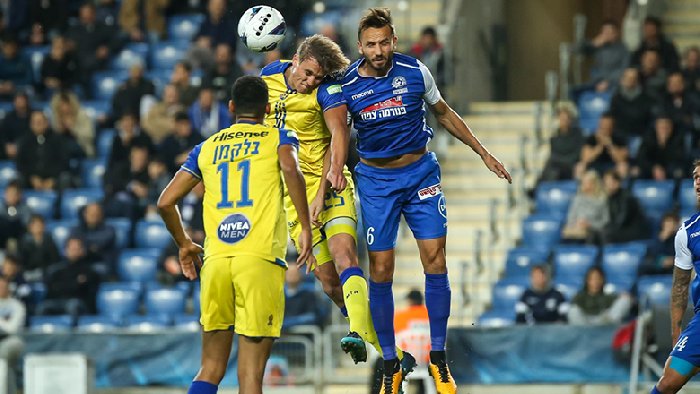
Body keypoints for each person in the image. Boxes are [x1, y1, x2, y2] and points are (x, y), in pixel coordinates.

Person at [340, 8, 511, 393]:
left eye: (385, 42)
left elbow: (444, 112)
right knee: (381, 270)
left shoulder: (416, 71)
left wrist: (482, 152)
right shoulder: (347, 86)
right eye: (371, 44)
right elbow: (336, 134)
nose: (379, 50)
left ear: (394, 40)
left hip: (420, 175)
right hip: (376, 181)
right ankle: (390, 362)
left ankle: (438, 357)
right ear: (360, 46)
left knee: (435, 259)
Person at [260, 33, 416, 375]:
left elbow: (340, 135)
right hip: (291, 198)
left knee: (346, 255)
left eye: (318, 76)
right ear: (296, 60)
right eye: (309, 73)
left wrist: (322, 190)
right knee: (329, 283)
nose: (311, 80)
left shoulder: (328, 92)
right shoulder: (268, 76)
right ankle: (390, 353)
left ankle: (359, 333)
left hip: (331, 187)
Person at [157, 75, 313, 394]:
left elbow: (165, 201)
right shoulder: (279, 137)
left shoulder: (206, 148)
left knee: (210, 367)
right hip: (259, 261)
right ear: (268, 109)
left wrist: (185, 244)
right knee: (251, 376)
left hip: (215, 262)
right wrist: (306, 224)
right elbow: (289, 167)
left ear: (230, 107)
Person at [650, 159, 700, 393]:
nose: (698, 181)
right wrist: (676, 330)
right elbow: (680, 285)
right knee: (667, 382)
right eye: (695, 177)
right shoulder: (687, 232)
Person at [560, 170, 609, 244]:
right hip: (576, 229)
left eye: (587, 182)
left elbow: (605, 220)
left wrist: (590, 225)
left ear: (594, 184)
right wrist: (576, 224)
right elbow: (570, 217)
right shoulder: (577, 198)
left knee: (591, 236)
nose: (584, 185)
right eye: (583, 182)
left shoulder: (602, 200)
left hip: (594, 231)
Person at [601, 170, 649, 244]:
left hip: (633, 230)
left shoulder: (626, 197)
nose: (606, 186)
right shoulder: (610, 197)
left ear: (617, 183)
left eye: (609, 183)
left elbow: (623, 220)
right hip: (622, 229)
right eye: (605, 183)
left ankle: (611, 254)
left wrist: (609, 228)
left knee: (606, 233)